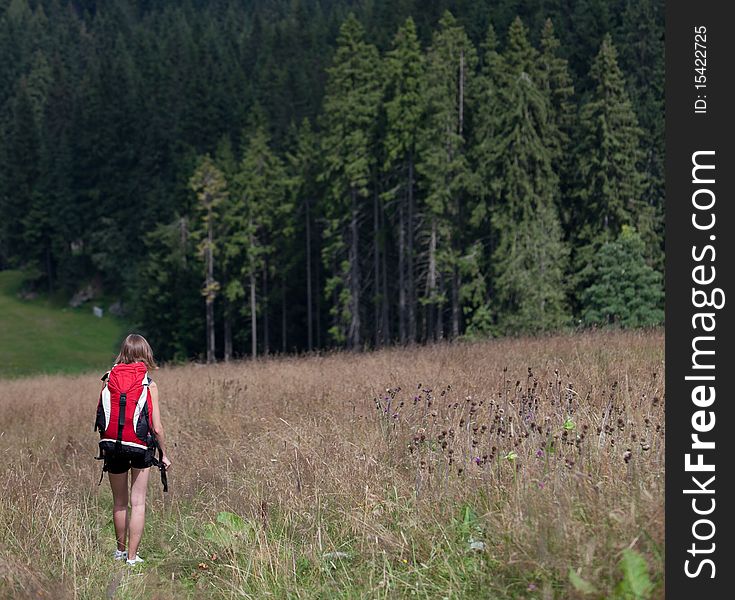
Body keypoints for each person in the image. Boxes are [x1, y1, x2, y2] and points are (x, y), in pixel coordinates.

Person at [101, 334, 171, 566]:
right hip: (140, 447)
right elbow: (157, 427)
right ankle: (132, 558)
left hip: (112, 445)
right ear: (145, 354)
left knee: (119, 501)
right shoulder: (148, 384)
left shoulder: (109, 378)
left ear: (123, 353)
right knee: (137, 502)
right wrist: (164, 454)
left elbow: (102, 415)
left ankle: (120, 551)